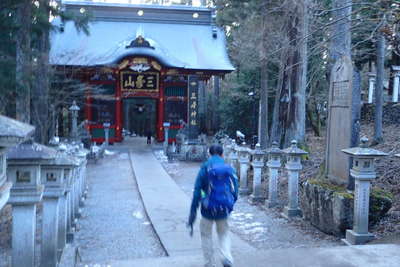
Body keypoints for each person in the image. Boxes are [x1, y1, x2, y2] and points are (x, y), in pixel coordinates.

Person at [188, 144, 238, 267]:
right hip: (223, 208)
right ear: (222, 154)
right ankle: (226, 257)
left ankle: (209, 264)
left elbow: (197, 190)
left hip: (207, 209)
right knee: (224, 234)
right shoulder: (227, 167)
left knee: (206, 235)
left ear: (209, 154)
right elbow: (235, 189)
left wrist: (193, 213)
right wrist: (230, 204)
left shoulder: (205, 168)